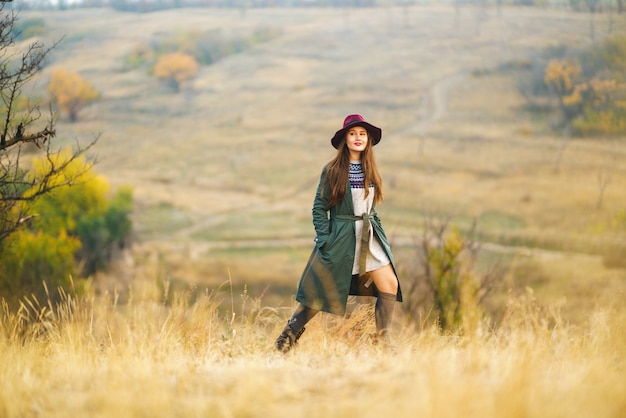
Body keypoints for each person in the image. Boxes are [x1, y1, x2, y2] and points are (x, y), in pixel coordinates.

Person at [275, 114, 402, 353]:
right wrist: (325, 239)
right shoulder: (333, 169)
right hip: (341, 239)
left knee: (389, 284)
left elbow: (370, 209)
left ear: (368, 140)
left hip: (368, 237)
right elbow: (319, 207)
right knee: (317, 296)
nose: (358, 138)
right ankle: (286, 340)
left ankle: (383, 342)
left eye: (362, 134)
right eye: (353, 134)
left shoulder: (370, 169)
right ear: (345, 139)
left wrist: (380, 236)